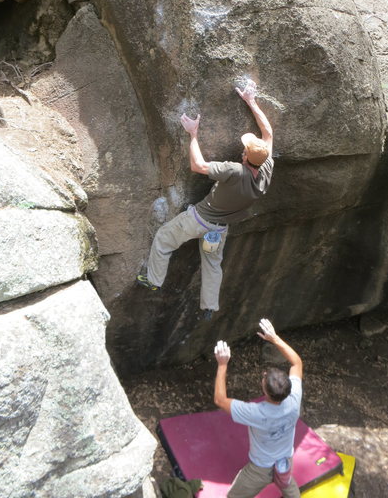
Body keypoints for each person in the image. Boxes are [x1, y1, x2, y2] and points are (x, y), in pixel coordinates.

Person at [137, 80, 274, 320]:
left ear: (244, 155)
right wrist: (251, 102)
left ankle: (153, 281)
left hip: (197, 220)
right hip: (219, 231)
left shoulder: (233, 170)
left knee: (163, 239)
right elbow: (269, 134)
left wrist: (193, 134)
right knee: (212, 264)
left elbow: (197, 165)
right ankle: (209, 307)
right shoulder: (265, 171)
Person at [214, 319, 302, 498]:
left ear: (267, 393)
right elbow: (296, 363)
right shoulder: (294, 399)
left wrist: (222, 364)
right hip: (286, 460)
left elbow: (219, 400)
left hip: (260, 469)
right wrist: (275, 338)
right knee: (287, 485)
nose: (264, 374)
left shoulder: (256, 413)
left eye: (265, 377)